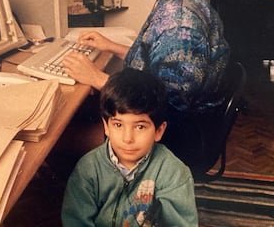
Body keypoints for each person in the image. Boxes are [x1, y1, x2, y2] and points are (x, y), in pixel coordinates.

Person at [62, 0, 230, 166]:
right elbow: (159, 59)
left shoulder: (179, 20)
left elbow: (164, 105)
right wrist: (112, 46)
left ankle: (106, 199)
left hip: (172, 141)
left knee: (61, 139)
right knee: (77, 113)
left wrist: (96, 78)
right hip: (174, 129)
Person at [61, 68, 198, 226]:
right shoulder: (88, 169)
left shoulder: (174, 174)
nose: (127, 138)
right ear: (106, 126)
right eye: (118, 124)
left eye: (140, 127)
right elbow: (76, 222)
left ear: (159, 131)